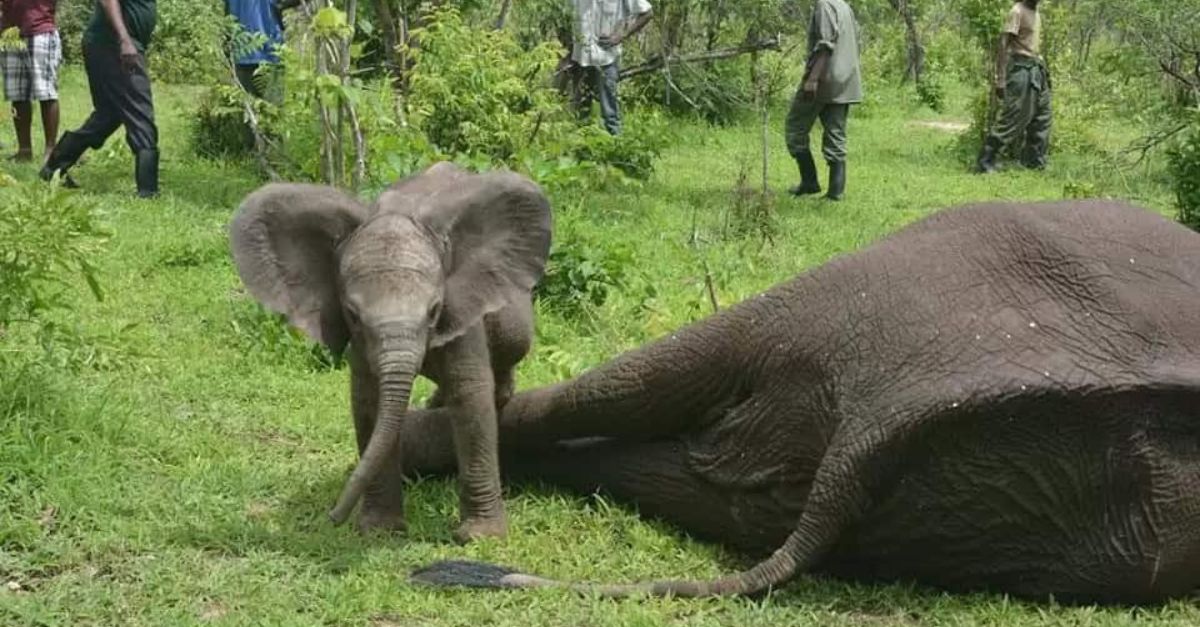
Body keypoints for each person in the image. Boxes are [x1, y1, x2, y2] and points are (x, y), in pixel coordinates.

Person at [39, 0, 159, 197]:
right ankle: (148, 190)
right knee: (141, 112)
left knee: (108, 115)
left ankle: (53, 167)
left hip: (110, 44)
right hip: (114, 44)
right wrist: (125, 40)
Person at [785, 0, 862, 202]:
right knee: (836, 134)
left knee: (795, 127)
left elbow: (825, 45)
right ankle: (836, 191)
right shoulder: (843, 5)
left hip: (823, 80)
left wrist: (812, 79)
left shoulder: (824, 5)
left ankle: (809, 181)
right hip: (845, 80)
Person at [976, 0, 1051, 174]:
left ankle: (1034, 162)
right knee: (1013, 117)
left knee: (1042, 117)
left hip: (1036, 69)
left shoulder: (1036, 11)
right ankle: (986, 161)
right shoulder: (1017, 11)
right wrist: (1000, 78)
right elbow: (1003, 44)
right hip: (1021, 69)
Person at [569, 0, 653, 136]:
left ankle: (615, 145)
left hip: (607, 57)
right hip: (581, 59)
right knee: (580, 109)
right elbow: (564, 17)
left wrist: (621, 35)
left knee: (609, 109)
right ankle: (580, 148)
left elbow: (647, 13)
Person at [0, 0, 61, 163]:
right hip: (10, 32)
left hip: (40, 29)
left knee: (46, 92)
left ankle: (51, 149)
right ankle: (24, 150)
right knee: (17, 94)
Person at [225, 0, 298, 102]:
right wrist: (280, 7)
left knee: (249, 110)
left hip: (241, 52)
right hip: (271, 51)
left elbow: (228, 15)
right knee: (273, 111)